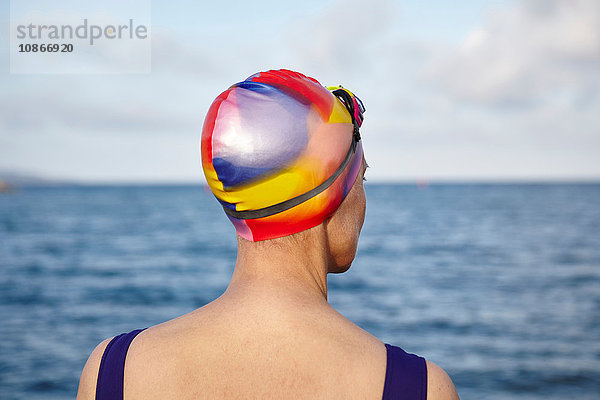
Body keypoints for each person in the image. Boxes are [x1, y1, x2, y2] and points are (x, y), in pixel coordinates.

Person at [76, 69, 459, 399]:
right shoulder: (420, 388)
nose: (364, 200)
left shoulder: (111, 371)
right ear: (330, 194)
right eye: (362, 177)